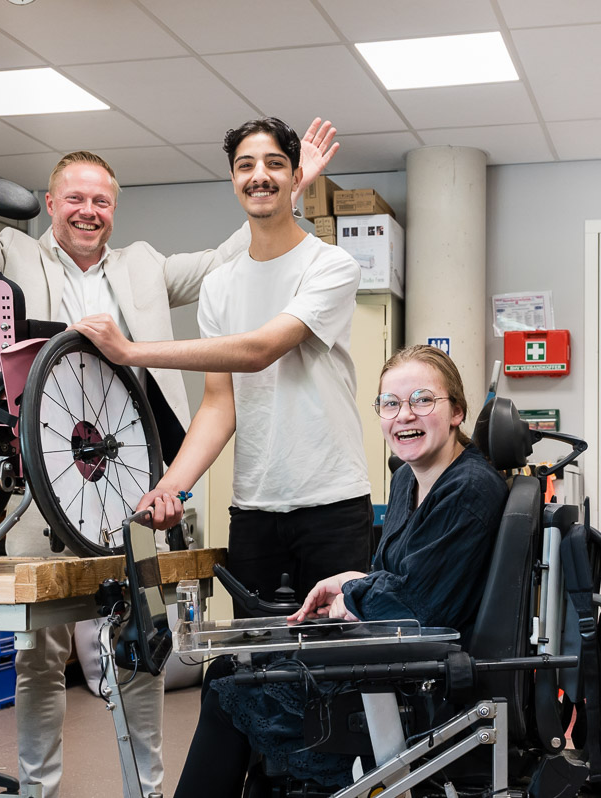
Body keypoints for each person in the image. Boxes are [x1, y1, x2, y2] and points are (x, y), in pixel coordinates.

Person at [0, 47, 339, 798]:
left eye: (102, 201)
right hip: (36, 488)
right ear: (52, 204)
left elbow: (231, 257)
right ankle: (40, 790)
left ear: (113, 210)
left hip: (131, 489)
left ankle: (147, 791)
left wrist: (291, 187)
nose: (89, 210)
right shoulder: (10, 255)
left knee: (140, 652)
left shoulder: (146, 266)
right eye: (75, 198)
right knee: (38, 658)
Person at [171, 345, 509, 796]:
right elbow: (395, 578)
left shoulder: (467, 490)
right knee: (230, 673)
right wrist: (351, 583)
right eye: (391, 404)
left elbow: (416, 606)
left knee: (233, 685)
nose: (404, 415)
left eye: (423, 400)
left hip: (426, 682)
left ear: (456, 413)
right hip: (400, 657)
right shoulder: (408, 478)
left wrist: (352, 590)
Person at [73, 117, 374, 612]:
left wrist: (131, 351)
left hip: (333, 505)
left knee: (331, 666)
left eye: (275, 164)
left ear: (296, 177)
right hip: (254, 510)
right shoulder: (219, 285)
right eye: (246, 166)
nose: (260, 175)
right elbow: (219, 404)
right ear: (234, 181)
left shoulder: (331, 265)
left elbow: (258, 351)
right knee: (253, 667)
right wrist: (171, 486)